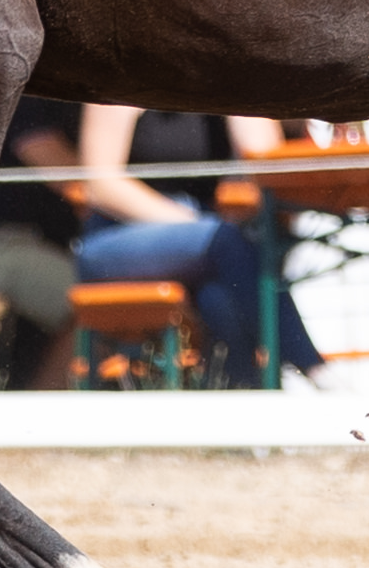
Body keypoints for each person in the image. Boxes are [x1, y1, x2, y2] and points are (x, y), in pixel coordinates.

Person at [64, 104, 325, 389]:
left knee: (218, 299)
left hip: (205, 242)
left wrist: (239, 96)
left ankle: (236, 399)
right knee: (228, 242)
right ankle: (312, 367)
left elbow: (267, 168)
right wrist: (189, 223)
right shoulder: (123, 86)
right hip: (114, 242)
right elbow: (100, 186)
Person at [0, 98, 89, 389]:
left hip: (19, 247)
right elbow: (48, 156)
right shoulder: (26, 93)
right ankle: (44, 412)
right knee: (97, 303)